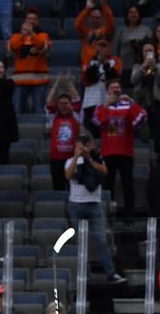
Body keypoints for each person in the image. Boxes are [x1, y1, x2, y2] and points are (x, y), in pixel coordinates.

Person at [65, 131, 126, 284]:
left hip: (94, 204)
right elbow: (68, 175)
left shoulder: (97, 159)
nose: (83, 147)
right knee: (80, 242)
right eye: (80, 145)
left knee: (101, 239)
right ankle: (85, 274)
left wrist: (88, 159)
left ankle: (111, 273)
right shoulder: (69, 161)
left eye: (85, 145)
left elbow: (104, 171)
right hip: (76, 204)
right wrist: (77, 157)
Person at [93, 80, 146, 217]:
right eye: (112, 87)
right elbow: (98, 121)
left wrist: (131, 102)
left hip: (125, 152)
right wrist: (106, 105)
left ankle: (130, 217)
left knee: (127, 185)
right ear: (108, 91)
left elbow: (141, 118)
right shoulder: (102, 106)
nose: (115, 89)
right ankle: (105, 215)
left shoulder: (127, 106)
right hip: (108, 152)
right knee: (107, 185)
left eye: (118, 87)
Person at [7, 7, 53, 114]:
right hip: (20, 79)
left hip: (39, 79)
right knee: (17, 111)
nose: (31, 21)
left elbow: (41, 46)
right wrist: (23, 36)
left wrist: (32, 34)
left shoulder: (44, 35)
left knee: (39, 111)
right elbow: (13, 47)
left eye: (34, 19)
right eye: (29, 18)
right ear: (25, 21)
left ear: (38, 21)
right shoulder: (16, 36)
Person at [45, 76, 83, 191]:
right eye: (61, 103)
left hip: (72, 158)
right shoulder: (54, 117)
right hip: (56, 159)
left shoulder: (76, 116)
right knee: (58, 187)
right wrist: (55, 86)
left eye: (66, 103)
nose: (63, 106)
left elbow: (77, 99)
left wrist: (70, 84)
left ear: (70, 105)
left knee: (73, 188)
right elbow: (49, 102)